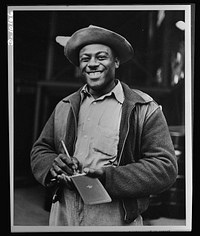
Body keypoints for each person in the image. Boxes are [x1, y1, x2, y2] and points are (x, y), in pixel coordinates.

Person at [30, 25, 178, 226]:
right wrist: (53, 164)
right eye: (85, 59)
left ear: (116, 61)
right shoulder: (64, 106)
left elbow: (165, 167)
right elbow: (40, 149)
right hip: (64, 211)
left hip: (115, 214)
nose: (92, 64)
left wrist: (109, 178)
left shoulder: (143, 107)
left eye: (101, 57)